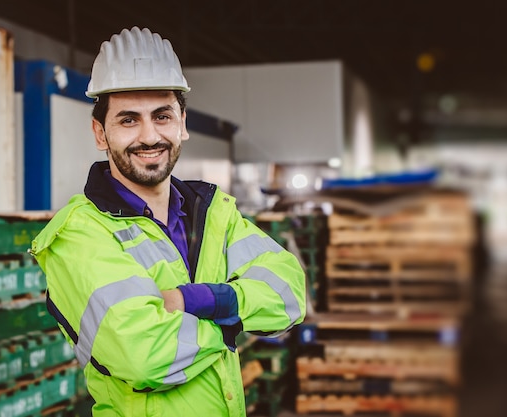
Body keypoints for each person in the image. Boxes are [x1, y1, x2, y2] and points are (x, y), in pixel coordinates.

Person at [30, 27, 306, 417]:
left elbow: (290, 294)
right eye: (128, 120)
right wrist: (234, 318)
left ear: (182, 124)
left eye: (162, 116)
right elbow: (144, 355)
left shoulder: (214, 213)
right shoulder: (78, 233)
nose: (149, 135)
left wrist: (196, 300)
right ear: (100, 133)